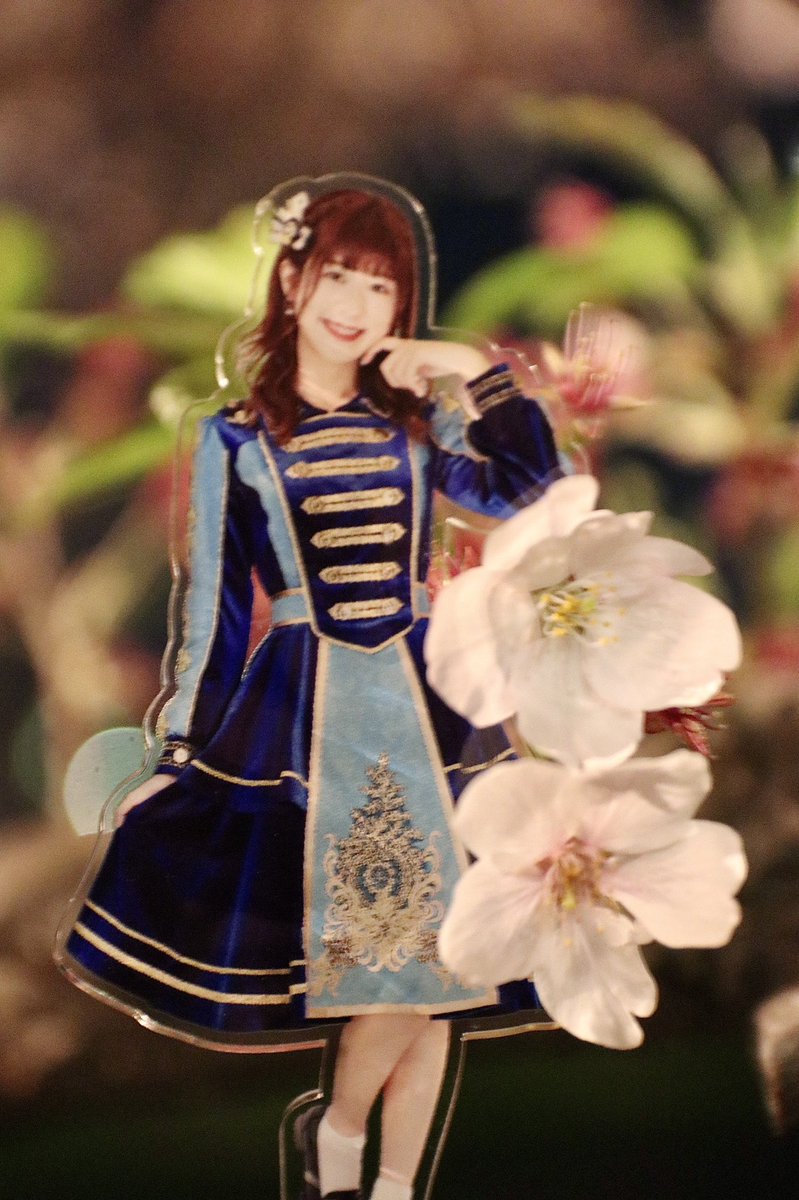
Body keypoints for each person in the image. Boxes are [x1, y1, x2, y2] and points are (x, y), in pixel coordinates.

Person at [57, 178, 561, 1200]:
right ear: (292, 281)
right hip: (310, 721)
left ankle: (383, 1179)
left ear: (400, 307)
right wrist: (178, 754)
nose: (355, 305)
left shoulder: (416, 425)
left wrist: (472, 371)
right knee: (391, 970)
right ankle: (339, 1141)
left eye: (380, 287)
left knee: (443, 973)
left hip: (433, 711)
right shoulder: (234, 439)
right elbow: (213, 615)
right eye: (338, 276)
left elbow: (527, 489)